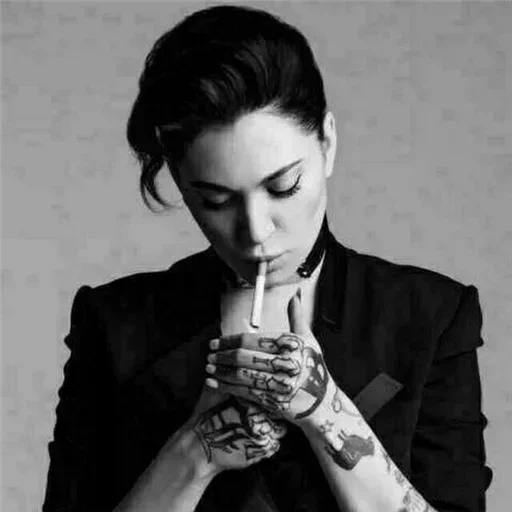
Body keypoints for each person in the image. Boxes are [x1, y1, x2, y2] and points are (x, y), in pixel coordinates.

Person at [42, 5, 492, 512]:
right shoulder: (113, 324)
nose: (255, 231)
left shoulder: (431, 316)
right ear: (182, 186)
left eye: (283, 186)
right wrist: (194, 453)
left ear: (327, 143)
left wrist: (328, 413)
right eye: (216, 200)